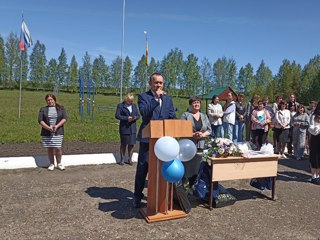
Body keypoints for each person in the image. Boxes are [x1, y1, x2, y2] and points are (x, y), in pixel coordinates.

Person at [133, 72, 176, 208]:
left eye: (161, 83)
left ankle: (161, 197)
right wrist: (155, 99)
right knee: (143, 168)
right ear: (150, 83)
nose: (158, 85)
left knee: (162, 169)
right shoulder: (144, 97)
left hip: (164, 141)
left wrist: (170, 125)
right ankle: (137, 196)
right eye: (156, 82)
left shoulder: (168, 99)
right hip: (148, 139)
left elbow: (172, 116)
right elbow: (144, 113)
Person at [181, 96, 211, 187]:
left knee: (198, 166)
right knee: (187, 167)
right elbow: (181, 129)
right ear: (190, 105)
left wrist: (203, 134)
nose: (196, 104)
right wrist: (193, 134)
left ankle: (195, 187)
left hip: (201, 145)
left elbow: (209, 130)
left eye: (198, 102)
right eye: (194, 102)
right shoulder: (185, 115)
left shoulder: (204, 116)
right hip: (188, 145)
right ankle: (183, 186)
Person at [38, 94, 67, 171]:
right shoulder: (43, 109)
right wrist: (48, 128)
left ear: (54, 100)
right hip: (47, 132)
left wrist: (56, 126)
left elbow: (64, 118)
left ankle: (59, 163)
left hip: (58, 131)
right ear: (46, 101)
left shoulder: (61, 108)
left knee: (58, 148)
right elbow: (40, 120)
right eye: (48, 100)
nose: (50, 101)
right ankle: (51, 164)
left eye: (51, 99)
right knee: (50, 148)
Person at [115, 93, 140, 166]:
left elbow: (138, 115)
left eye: (132, 101)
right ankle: (122, 159)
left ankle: (130, 159)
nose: (131, 102)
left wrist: (135, 117)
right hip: (124, 128)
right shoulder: (120, 106)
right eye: (129, 101)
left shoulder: (134, 106)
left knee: (131, 144)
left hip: (132, 128)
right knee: (123, 144)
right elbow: (117, 115)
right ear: (126, 100)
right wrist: (126, 118)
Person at [308, 101, 320, 185]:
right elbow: (310, 127)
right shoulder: (313, 115)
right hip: (315, 138)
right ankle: (313, 176)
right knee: (314, 156)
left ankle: (318, 175)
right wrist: (316, 129)